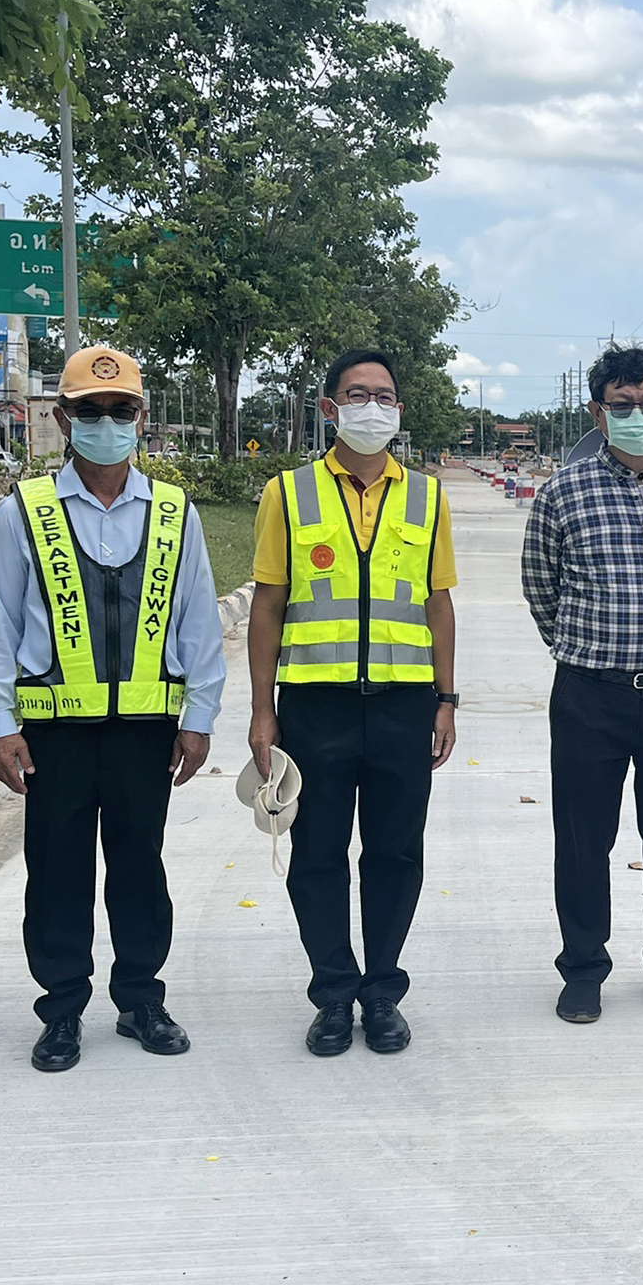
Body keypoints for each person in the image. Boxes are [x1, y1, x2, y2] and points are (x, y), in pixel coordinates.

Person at [0, 346, 226, 1072]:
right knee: (57, 871)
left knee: (139, 867)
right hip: (55, 733)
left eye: (121, 411)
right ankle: (61, 1010)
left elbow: (198, 622)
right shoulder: (26, 511)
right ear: (63, 419)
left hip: (147, 731)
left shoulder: (174, 512)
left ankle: (141, 998)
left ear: (141, 419)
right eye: (91, 411)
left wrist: (199, 717)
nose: (106, 423)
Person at [246, 348, 459, 1057]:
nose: (374, 407)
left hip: (404, 704)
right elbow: (268, 605)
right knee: (316, 855)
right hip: (315, 706)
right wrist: (262, 710)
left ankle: (383, 992)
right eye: (358, 395)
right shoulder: (288, 494)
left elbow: (438, 603)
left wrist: (446, 699)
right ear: (329, 408)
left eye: (385, 396)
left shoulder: (427, 497)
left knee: (396, 852)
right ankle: (334, 993)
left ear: (399, 408)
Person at [522, 344, 643, 1024]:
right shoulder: (562, 492)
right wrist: (588, 649)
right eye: (623, 405)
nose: (638, 416)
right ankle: (583, 969)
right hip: (590, 695)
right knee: (584, 842)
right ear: (597, 412)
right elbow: (541, 586)